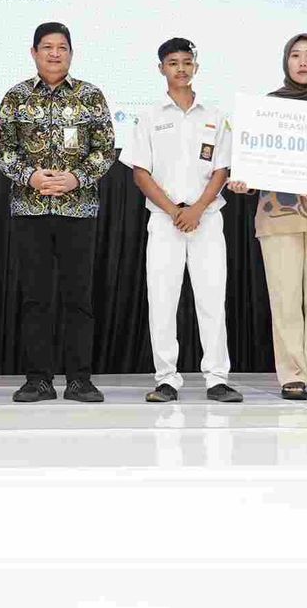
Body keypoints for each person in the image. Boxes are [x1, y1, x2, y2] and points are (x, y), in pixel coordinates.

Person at [227, 34, 307, 401]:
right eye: (295, 55)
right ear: (286, 62)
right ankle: (293, 375)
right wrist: (244, 181)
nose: (302, 62)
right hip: (278, 216)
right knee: (284, 299)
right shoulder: (269, 107)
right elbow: (254, 163)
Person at [0, 21, 114, 404]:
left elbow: (105, 149)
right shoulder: (16, 97)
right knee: (35, 297)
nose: (55, 53)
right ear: (34, 52)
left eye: (62, 47)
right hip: (30, 210)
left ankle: (80, 379)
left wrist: (76, 178)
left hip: (78, 210)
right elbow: (2, 150)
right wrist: (29, 176)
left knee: (78, 297)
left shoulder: (90, 96)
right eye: (47, 47)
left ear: (71, 53)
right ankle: (38, 380)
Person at [125, 37, 240, 404]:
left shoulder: (215, 115)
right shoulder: (149, 116)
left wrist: (197, 209)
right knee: (162, 300)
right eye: (173, 63)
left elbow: (222, 169)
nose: (180, 69)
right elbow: (140, 173)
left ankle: (217, 378)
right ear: (161, 68)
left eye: (187, 62)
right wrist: (175, 211)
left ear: (196, 67)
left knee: (212, 299)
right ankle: (166, 379)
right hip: (165, 220)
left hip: (207, 219)